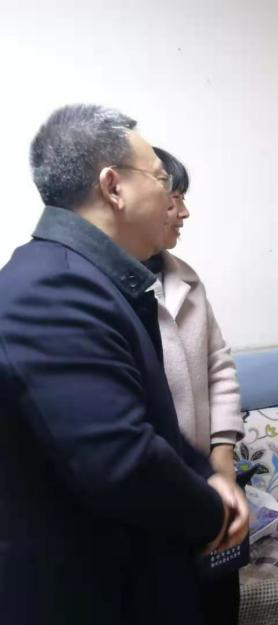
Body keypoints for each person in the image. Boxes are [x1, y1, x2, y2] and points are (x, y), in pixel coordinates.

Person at [0, 104, 248, 625]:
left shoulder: (95, 278)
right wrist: (217, 511)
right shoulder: (54, 287)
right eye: (160, 179)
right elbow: (123, 460)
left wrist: (212, 473)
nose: (172, 200)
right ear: (113, 187)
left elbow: (150, 419)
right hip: (88, 587)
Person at [147, 147, 246, 625]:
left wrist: (222, 460)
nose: (183, 213)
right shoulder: (99, 290)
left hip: (206, 481)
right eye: (175, 199)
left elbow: (218, 366)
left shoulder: (186, 279)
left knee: (220, 603)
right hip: (153, 493)